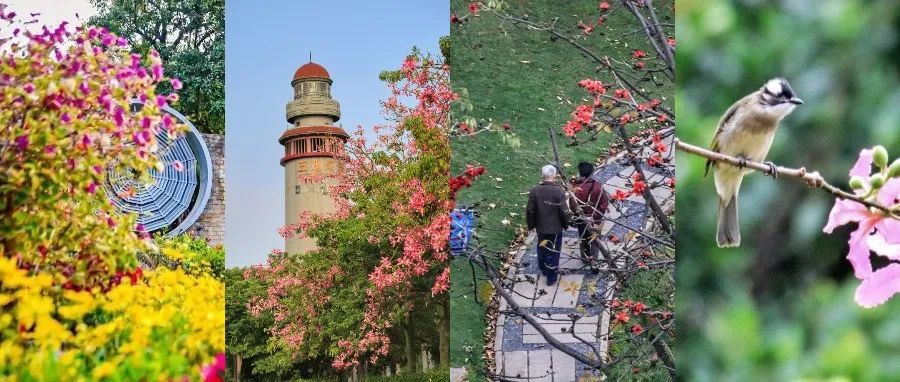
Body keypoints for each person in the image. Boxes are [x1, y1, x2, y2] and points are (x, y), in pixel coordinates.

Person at [526, 164, 571, 286]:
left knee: (542, 247)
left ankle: (544, 269)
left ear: (543, 175)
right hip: (555, 228)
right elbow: (564, 211)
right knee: (554, 252)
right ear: (554, 176)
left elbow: (530, 210)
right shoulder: (559, 191)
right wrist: (566, 224)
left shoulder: (535, 190)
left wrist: (531, 225)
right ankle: (551, 278)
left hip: (541, 227)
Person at [570, 162, 609, 262]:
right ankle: (594, 260)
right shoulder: (598, 186)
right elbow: (604, 204)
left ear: (580, 173)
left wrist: (578, 214)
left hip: (581, 219)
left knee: (583, 238)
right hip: (595, 219)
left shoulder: (575, 189)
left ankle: (585, 257)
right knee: (595, 240)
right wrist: (595, 216)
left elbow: (572, 205)